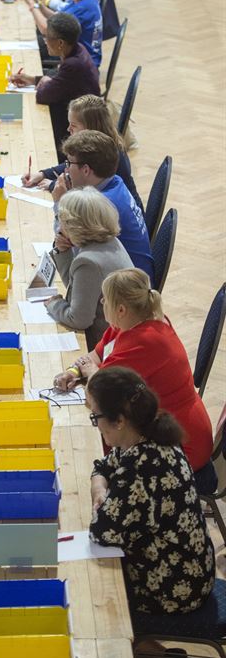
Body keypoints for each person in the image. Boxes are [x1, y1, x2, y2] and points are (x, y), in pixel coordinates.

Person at [86, 367, 215, 623]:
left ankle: (141, 652)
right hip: (191, 568)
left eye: (95, 416)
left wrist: (104, 497)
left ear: (119, 420)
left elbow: (102, 530)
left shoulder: (141, 465)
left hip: (175, 587)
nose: (96, 424)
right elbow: (102, 467)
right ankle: (147, 655)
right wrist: (101, 488)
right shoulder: (146, 433)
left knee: (94, 593)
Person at [53, 269, 214, 472]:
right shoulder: (129, 322)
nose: (102, 303)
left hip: (179, 442)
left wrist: (93, 372)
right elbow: (96, 355)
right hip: (163, 426)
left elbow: (95, 396)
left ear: (121, 309)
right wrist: (75, 371)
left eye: (105, 300)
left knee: (89, 453)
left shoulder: (145, 341)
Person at [54, 131, 154, 281]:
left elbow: (72, 250)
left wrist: (60, 203)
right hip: (131, 276)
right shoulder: (115, 181)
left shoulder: (102, 204)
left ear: (86, 170)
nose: (66, 170)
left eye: (69, 163)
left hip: (126, 290)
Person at [45, 187, 133, 348]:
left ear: (75, 226)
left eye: (63, 222)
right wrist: (62, 251)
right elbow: (77, 291)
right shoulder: (109, 242)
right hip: (123, 333)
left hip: (105, 343)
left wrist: (53, 304)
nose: (59, 228)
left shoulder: (89, 261)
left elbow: (78, 320)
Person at [23, 94, 143, 212]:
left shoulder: (106, 155)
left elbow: (84, 194)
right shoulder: (99, 146)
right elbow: (74, 164)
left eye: (73, 125)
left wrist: (54, 185)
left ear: (90, 128)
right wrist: (43, 174)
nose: (68, 129)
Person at [10, 13, 99, 156]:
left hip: (78, 125)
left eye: (47, 37)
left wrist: (44, 83)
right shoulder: (78, 49)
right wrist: (32, 79)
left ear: (60, 43)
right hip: (77, 111)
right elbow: (60, 81)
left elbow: (43, 96)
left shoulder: (73, 65)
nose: (45, 41)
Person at [18, 0, 103, 67]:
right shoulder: (80, 0)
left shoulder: (82, 9)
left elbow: (47, 29)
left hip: (79, 71)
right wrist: (37, 1)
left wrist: (31, 4)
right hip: (78, 63)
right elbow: (56, 18)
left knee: (30, 51)